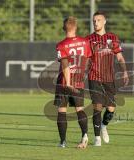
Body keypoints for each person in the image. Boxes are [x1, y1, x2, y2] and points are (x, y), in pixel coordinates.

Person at [86, 11, 129, 146]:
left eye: (98, 20)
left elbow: (120, 57)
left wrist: (125, 71)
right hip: (94, 77)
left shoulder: (112, 38)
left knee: (111, 108)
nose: (95, 23)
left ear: (104, 21)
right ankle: (97, 138)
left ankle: (104, 125)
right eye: (94, 21)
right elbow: (85, 59)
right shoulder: (88, 39)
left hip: (109, 78)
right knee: (97, 107)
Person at [54, 16, 92, 148]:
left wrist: (68, 82)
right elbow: (87, 60)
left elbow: (65, 65)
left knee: (62, 111)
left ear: (64, 28)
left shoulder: (61, 45)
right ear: (75, 27)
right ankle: (85, 135)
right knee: (80, 109)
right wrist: (82, 73)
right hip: (79, 81)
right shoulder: (85, 42)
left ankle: (63, 142)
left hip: (65, 82)